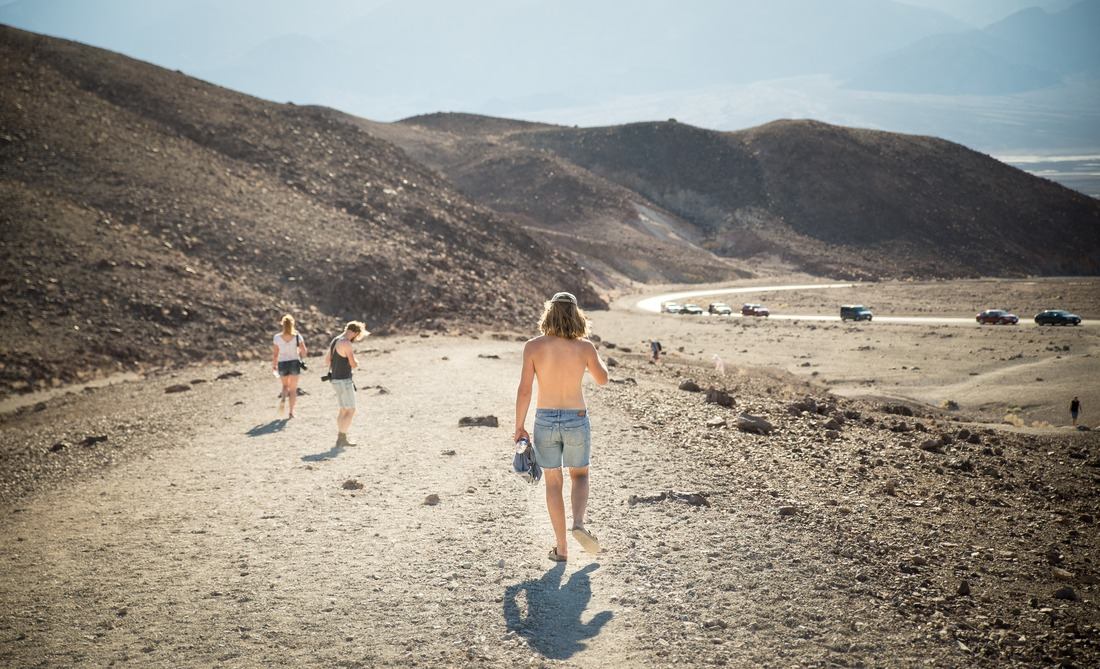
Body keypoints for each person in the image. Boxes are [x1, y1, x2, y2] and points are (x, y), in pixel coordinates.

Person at [514, 292, 609, 562]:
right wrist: (595, 356)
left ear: (549, 313)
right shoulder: (585, 347)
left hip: (545, 418)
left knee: (553, 482)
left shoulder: (533, 346)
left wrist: (519, 426)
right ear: (576, 316)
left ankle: (562, 548)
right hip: (576, 417)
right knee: (580, 475)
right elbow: (603, 379)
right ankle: (578, 523)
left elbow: (524, 390)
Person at [324, 321, 368, 447]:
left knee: (343, 410)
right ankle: (341, 438)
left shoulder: (335, 340)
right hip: (344, 380)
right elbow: (353, 363)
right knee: (351, 410)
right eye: (357, 336)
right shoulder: (346, 342)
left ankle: (341, 437)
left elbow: (327, 361)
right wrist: (356, 362)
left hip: (335, 379)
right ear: (355, 332)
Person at [271, 314, 308, 418]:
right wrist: (299, 352)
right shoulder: (297, 336)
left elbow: (275, 354)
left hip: (282, 363)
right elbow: (304, 351)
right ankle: (291, 412)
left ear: (282, 324)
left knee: (284, 386)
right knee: (293, 389)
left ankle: (283, 398)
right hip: (294, 363)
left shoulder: (277, 337)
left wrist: (274, 365)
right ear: (293, 324)